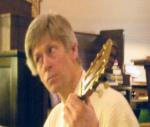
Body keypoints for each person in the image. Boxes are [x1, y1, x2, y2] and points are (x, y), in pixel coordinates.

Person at [24, 13, 139, 127]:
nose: (45, 65)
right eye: (38, 58)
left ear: (73, 49)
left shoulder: (113, 105)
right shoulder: (54, 118)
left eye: (51, 50)